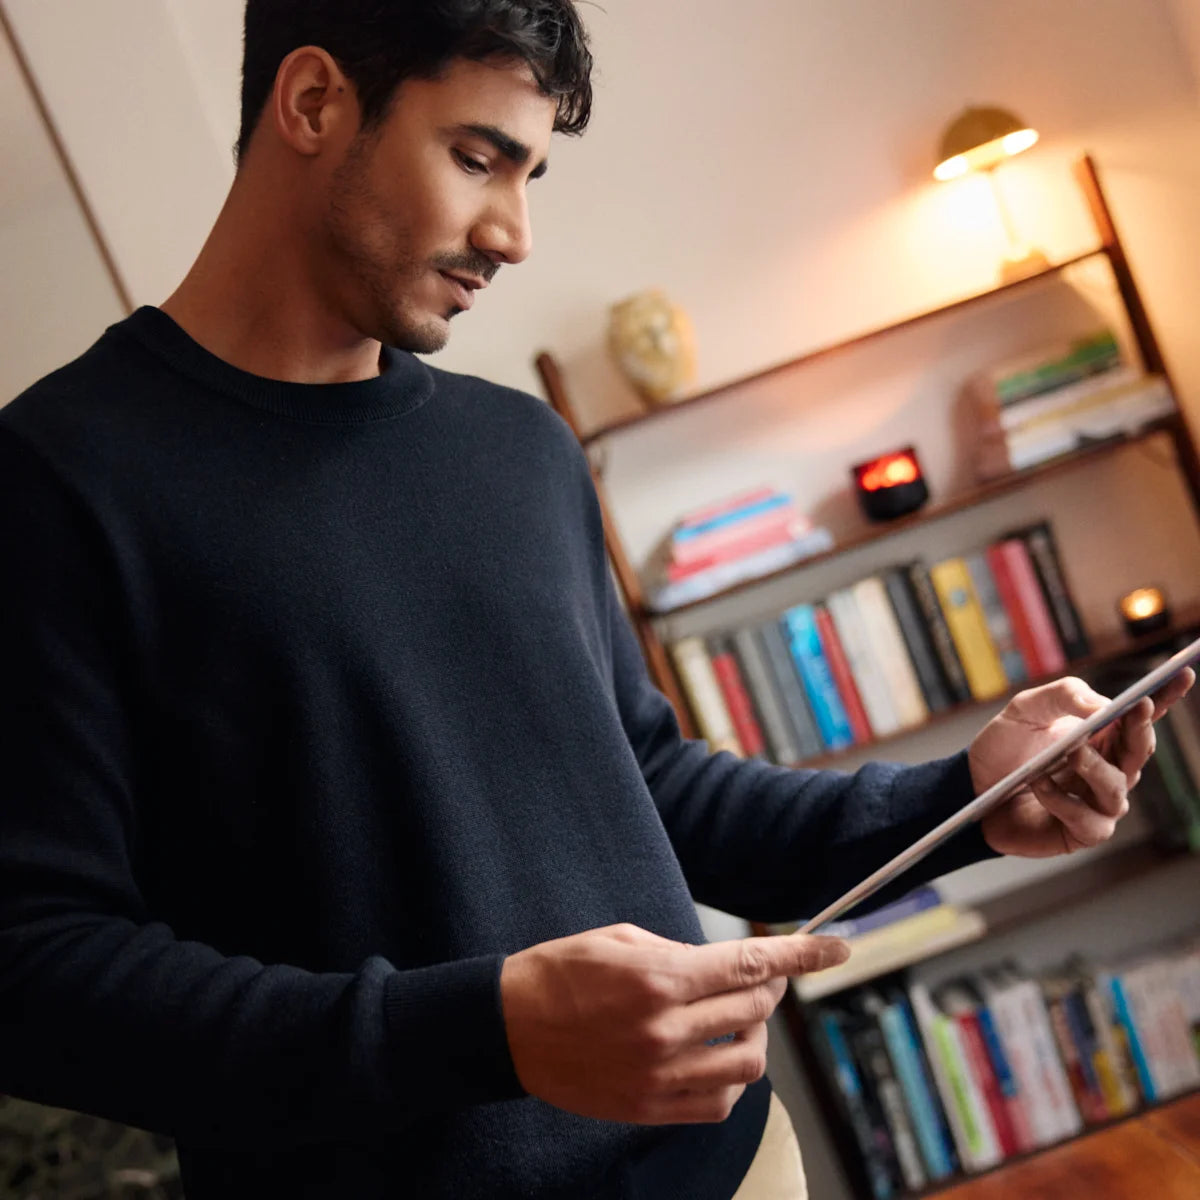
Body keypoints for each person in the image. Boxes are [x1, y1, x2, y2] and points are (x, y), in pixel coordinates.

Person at [0, 3, 1191, 1198]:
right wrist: (486, 1029)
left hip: (735, 1171)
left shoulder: (520, 450)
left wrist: (968, 798)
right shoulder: (56, 482)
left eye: (531, 175)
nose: (513, 234)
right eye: (477, 158)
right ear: (313, 103)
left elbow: (650, 787)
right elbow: (36, 969)